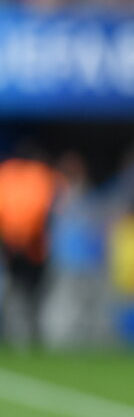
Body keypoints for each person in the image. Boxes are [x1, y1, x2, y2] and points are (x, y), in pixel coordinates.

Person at [0, 145, 58, 349]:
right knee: (21, 294)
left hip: (26, 247)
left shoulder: (27, 177)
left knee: (26, 294)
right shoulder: (35, 176)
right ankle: (21, 333)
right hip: (25, 247)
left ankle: (25, 333)